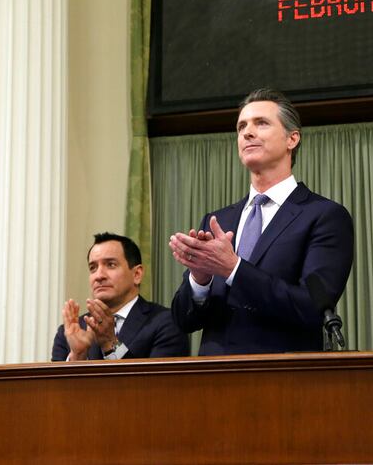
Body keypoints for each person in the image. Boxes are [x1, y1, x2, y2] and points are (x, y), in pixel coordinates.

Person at [169, 88, 354, 355]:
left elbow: (311, 307)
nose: (247, 132)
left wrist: (234, 268)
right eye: (241, 126)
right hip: (213, 381)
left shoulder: (324, 216)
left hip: (281, 379)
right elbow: (184, 320)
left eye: (261, 123)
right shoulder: (218, 220)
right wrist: (201, 278)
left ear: (292, 138)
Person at [52, 232, 189, 361]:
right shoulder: (70, 332)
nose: (99, 275)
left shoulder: (167, 323)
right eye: (93, 267)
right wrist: (77, 355)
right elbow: (52, 386)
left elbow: (157, 384)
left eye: (111, 265)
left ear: (137, 275)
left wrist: (110, 344)